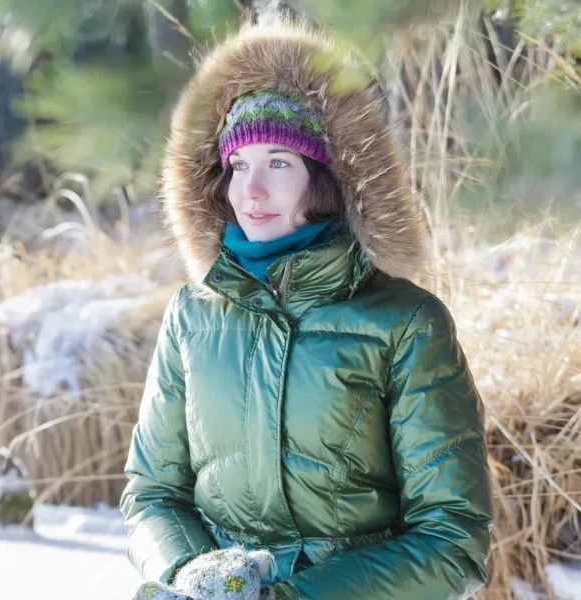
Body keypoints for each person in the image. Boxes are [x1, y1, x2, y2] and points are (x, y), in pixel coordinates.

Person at [119, 17, 494, 600]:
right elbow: (152, 494)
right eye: (237, 165)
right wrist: (194, 577)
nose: (252, 190)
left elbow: (452, 539)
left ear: (326, 178)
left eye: (278, 163)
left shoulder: (404, 322)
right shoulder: (193, 315)